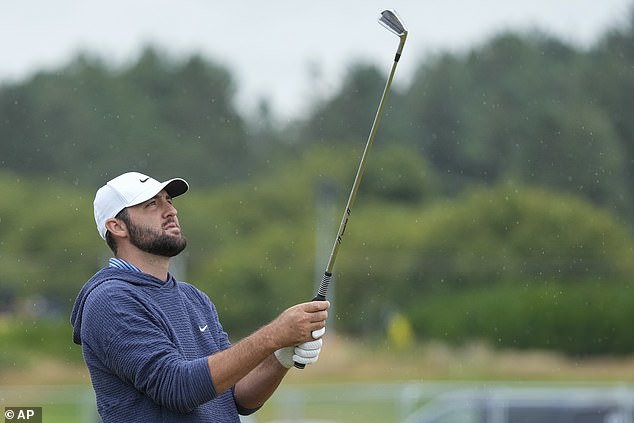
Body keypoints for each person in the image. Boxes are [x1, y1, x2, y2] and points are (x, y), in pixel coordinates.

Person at [71, 171, 329, 422]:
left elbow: (238, 397)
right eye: (151, 204)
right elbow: (176, 388)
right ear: (117, 226)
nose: (171, 211)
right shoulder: (110, 300)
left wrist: (279, 356)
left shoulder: (193, 297)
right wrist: (273, 335)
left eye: (168, 201)